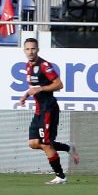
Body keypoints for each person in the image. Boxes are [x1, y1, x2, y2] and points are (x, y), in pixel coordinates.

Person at [19, 37, 80, 184]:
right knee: (34, 143)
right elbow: (35, 87)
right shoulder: (28, 66)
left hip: (48, 109)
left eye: (33, 48)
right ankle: (67, 147)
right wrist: (27, 94)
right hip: (39, 110)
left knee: (46, 144)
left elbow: (59, 84)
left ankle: (61, 176)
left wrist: (40, 89)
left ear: (38, 50)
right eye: (27, 49)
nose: (30, 52)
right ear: (24, 50)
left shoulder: (44, 65)